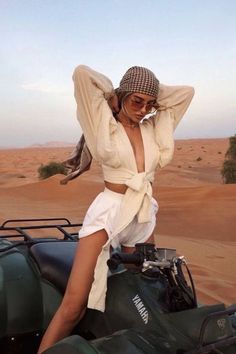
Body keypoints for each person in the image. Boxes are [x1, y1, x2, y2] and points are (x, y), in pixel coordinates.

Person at [37, 65, 194, 353]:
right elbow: (83, 74)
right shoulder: (104, 125)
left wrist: (152, 93)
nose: (144, 109)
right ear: (121, 97)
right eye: (136, 101)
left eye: (150, 103)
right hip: (109, 212)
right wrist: (112, 94)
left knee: (145, 292)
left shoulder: (153, 126)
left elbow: (187, 93)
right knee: (74, 305)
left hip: (143, 213)